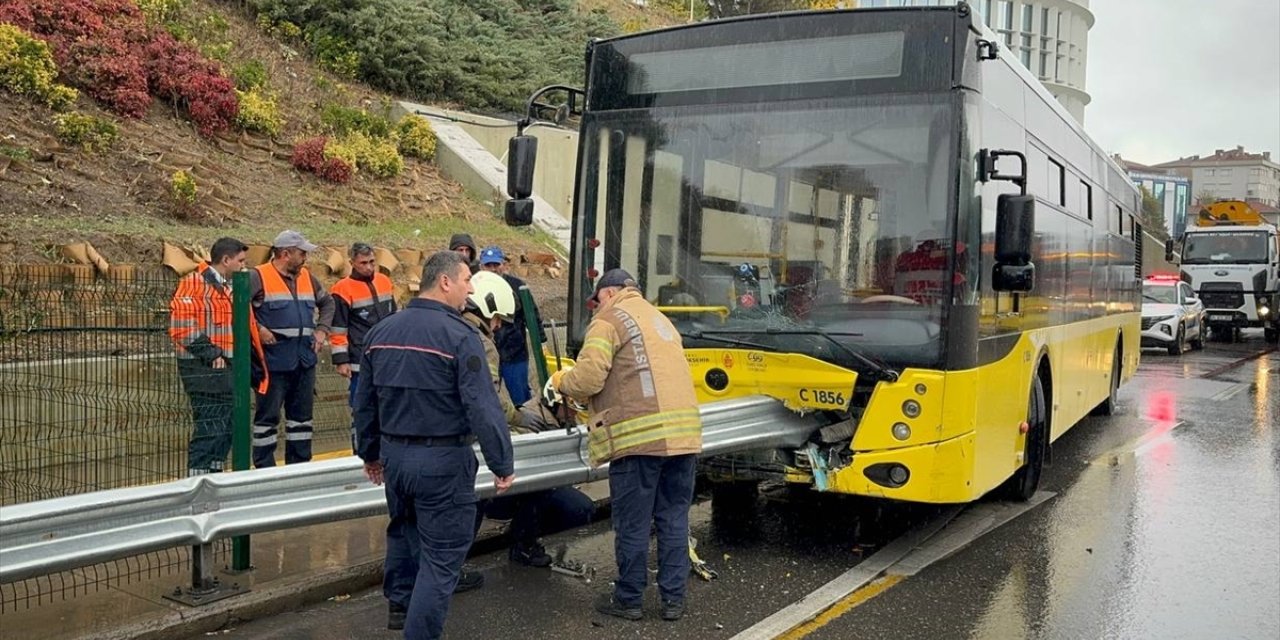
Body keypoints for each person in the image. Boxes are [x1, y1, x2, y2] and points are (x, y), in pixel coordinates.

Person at [354, 251, 515, 639]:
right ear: (444, 282)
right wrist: (502, 462)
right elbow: (482, 406)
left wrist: (371, 453)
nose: (470, 288)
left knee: (404, 531)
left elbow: (364, 402)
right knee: (441, 562)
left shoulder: (380, 332)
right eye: (465, 281)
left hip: (395, 459)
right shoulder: (461, 336)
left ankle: (400, 607)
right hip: (443, 461)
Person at [544, 268, 702, 623]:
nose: (596, 306)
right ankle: (673, 601)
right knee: (673, 519)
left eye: (597, 298)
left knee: (633, 523)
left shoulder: (610, 319)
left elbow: (587, 379)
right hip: (684, 438)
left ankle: (629, 598)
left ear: (610, 292)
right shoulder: (660, 320)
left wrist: (560, 380)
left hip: (638, 441)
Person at [461, 271, 593, 570]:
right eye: (496, 319)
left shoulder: (452, 330)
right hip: (472, 447)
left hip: (451, 442)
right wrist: (518, 416)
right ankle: (465, 563)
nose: (497, 328)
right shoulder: (476, 341)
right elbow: (487, 400)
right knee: (481, 495)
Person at [168, 237, 268, 476]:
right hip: (203, 369)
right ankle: (199, 483)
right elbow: (181, 326)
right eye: (241, 261)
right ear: (226, 260)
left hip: (226, 367)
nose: (244, 267)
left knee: (225, 429)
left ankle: (214, 477)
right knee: (210, 428)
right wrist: (211, 354)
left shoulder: (229, 287)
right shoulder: (194, 284)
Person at [249, 230, 335, 468]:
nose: (305, 257)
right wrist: (258, 328)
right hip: (272, 363)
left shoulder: (307, 277)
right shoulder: (258, 276)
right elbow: (236, 307)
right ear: (285, 254)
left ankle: (300, 467)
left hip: (304, 362)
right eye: (302, 253)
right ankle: (264, 469)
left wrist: (321, 330)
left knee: (301, 421)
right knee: (267, 419)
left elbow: (328, 303)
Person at [330, 242, 397, 416]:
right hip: (359, 359)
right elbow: (338, 327)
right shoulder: (342, 289)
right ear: (352, 263)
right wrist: (341, 360)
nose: (369, 267)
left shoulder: (384, 281)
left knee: (389, 406)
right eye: (363, 263)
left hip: (388, 357)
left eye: (372, 262)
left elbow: (395, 317)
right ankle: (360, 442)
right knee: (361, 409)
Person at [479, 245, 542, 407]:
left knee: (520, 396)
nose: (493, 269)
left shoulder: (517, 286)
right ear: (481, 266)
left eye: (496, 265)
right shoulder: (475, 287)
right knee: (488, 395)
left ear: (504, 265)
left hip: (514, 352)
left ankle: (527, 426)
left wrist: (540, 339)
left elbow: (532, 314)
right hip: (487, 353)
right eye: (488, 265)